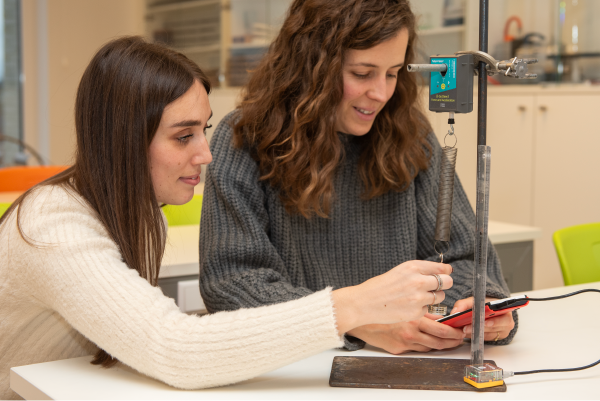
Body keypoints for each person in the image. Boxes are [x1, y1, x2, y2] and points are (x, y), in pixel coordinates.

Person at [0, 36, 454, 399]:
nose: (206, 154)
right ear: (123, 140)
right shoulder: (53, 227)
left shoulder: (141, 214)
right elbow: (173, 347)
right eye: (183, 136)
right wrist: (354, 306)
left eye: (204, 130)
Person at [199, 0, 517, 355]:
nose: (381, 93)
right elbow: (230, 286)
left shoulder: (411, 135)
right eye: (363, 74)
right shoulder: (245, 139)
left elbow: (467, 259)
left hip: (404, 363)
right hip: (297, 368)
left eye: (393, 73)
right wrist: (358, 323)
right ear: (311, 67)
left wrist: (478, 305)